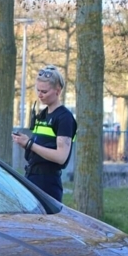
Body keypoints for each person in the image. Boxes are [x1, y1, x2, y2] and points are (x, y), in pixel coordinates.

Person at [12, 64, 77, 202]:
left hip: (47, 183)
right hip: (32, 176)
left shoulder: (65, 118)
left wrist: (30, 144)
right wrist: (25, 143)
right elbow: (41, 147)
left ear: (57, 91)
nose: (40, 95)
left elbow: (61, 157)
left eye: (44, 91)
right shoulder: (43, 114)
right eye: (38, 90)